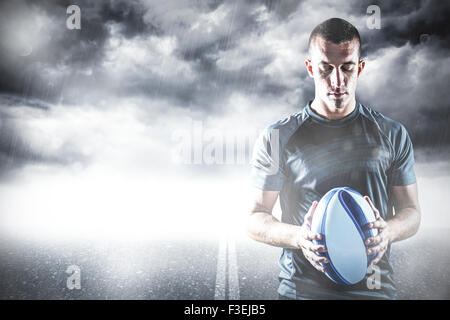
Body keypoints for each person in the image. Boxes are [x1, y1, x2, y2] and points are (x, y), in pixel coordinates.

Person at [247, 18, 421, 300]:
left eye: (347, 68)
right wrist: (299, 238)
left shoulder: (392, 134)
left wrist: (387, 231)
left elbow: (411, 212)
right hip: (301, 294)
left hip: (375, 293)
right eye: (326, 69)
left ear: (360, 68)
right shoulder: (277, 136)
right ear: (310, 68)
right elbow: (255, 217)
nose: (337, 81)